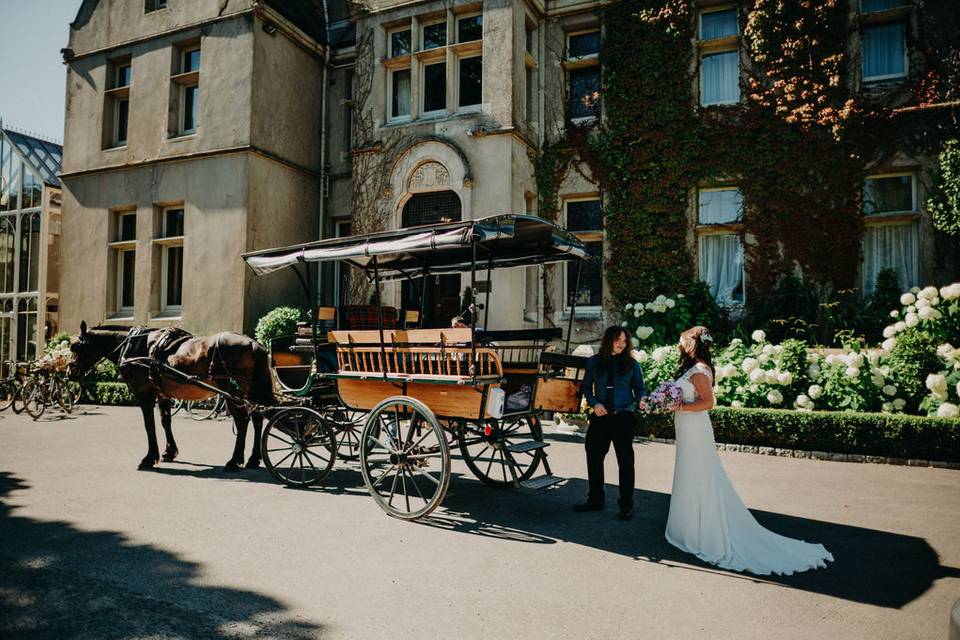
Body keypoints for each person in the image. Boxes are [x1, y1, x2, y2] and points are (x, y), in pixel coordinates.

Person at [665, 326, 834, 575]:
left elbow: (708, 403)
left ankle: (704, 532)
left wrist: (678, 407)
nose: (679, 343)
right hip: (688, 429)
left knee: (700, 475)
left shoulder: (700, 370)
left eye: (683, 340)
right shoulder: (693, 367)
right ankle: (689, 526)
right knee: (689, 474)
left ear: (693, 344)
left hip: (695, 429)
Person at [574, 325, 647, 520]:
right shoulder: (594, 362)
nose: (621, 344)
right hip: (601, 417)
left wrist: (641, 399)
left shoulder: (632, 365)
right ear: (609, 340)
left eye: (624, 341)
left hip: (623, 417)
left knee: (625, 462)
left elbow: (640, 389)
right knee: (594, 456)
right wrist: (595, 403)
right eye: (618, 340)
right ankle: (595, 499)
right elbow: (587, 388)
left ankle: (626, 505)